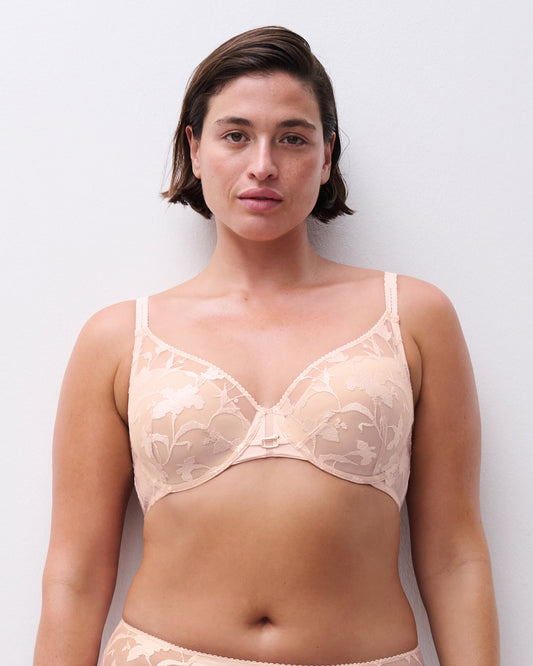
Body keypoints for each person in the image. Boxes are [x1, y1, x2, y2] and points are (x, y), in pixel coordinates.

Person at [34, 26, 499, 666]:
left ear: (327, 155)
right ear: (195, 150)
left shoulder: (414, 318)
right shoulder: (118, 338)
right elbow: (75, 573)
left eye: (292, 138)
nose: (263, 165)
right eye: (235, 135)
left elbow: (454, 556)